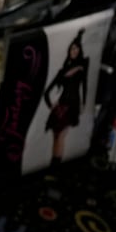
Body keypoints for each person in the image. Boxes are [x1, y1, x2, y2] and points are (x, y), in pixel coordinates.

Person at [43, 35, 90, 163]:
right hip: (61, 105)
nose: (74, 51)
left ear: (79, 50)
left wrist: (83, 102)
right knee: (56, 136)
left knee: (61, 136)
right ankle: (53, 165)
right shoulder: (63, 71)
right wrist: (50, 104)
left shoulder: (83, 66)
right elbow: (46, 92)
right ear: (69, 51)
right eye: (72, 49)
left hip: (73, 105)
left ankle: (55, 166)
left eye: (76, 49)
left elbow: (85, 85)